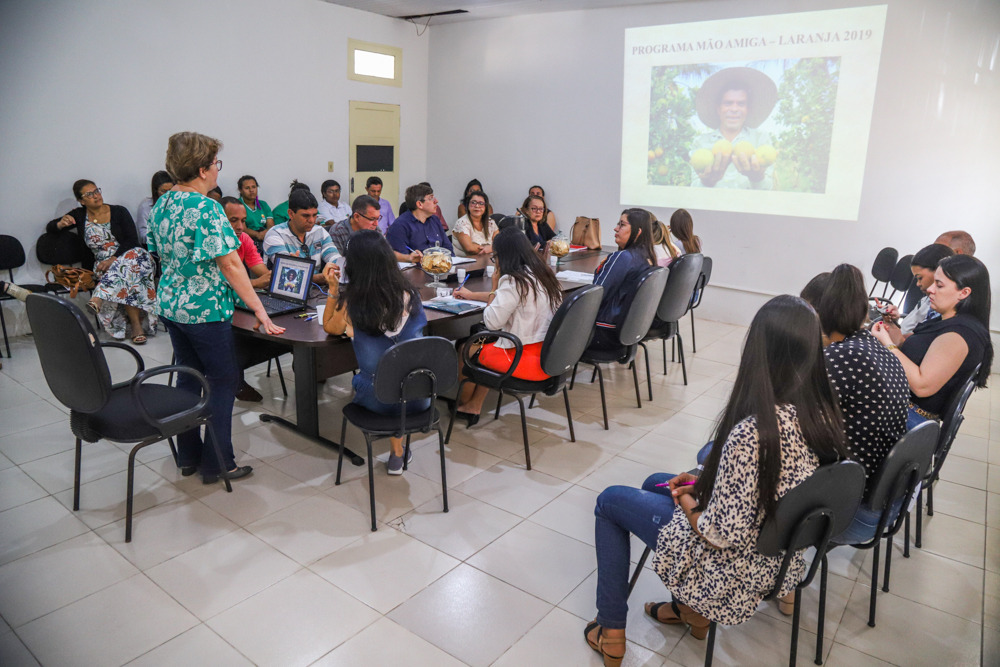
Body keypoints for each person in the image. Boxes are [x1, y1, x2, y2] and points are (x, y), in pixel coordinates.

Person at [585, 295, 849, 666]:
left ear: (759, 351)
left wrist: (687, 500)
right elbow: (765, 488)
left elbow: (717, 533)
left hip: (727, 570)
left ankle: (611, 631)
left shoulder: (754, 431)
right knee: (655, 481)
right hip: (779, 554)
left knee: (610, 501)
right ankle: (688, 610)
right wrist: (701, 485)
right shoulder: (821, 412)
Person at [147, 131, 283, 484]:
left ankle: (189, 456)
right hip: (204, 308)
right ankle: (219, 462)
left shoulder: (163, 203)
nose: (217, 171)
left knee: (188, 377)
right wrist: (261, 311)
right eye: (215, 164)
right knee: (223, 381)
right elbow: (231, 265)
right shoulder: (206, 207)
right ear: (204, 169)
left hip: (172, 304)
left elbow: (159, 251)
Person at [801, 264, 909, 545]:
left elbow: (793, 427)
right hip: (881, 502)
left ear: (818, 314)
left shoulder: (839, 357)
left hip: (852, 512)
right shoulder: (871, 346)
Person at [322, 230, 428, 475]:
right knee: (397, 372)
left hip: (376, 402)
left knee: (380, 377)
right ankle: (398, 452)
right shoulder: (412, 295)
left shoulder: (354, 304)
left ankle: (398, 452)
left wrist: (333, 289)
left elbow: (330, 326)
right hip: (420, 396)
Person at [451, 227, 563, 425]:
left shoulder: (513, 281)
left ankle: (466, 404)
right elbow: (510, 300)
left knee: (465, 347)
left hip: (520, 358)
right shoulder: (541, 274)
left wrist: (494, 286)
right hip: (547, 353)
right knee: (491, 340)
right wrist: (472, 295)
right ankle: (475, 404)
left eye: (495, 257)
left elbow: (491, 321)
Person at [871, 254, 992, 429]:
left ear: (964, 292)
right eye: (934, 282)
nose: (930, 289)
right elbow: (905, 345)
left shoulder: (958, 335)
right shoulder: (945, 319)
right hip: (900, 407)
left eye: (939, 285)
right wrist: (889, 323)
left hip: (909, 419)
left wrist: (887, 345)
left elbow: (922, 386)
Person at [48, 180, 157, 344]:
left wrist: (114, 258)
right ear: (81, 201)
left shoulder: (119, 211)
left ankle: (99, 296)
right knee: (127, 276)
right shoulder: (78, 215)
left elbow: (132, 241)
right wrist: (60, 223)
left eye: (96, 191)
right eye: (89, 194)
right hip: (103, 266)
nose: (96, 196)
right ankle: (136, 326)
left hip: (134, 258)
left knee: (131, 261)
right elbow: (51, 227)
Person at [690, 67, 777, 189]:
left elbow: (769, 188)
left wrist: (757, 178)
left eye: (741, 104)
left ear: (747, 109)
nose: (734, 109)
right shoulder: (701, 142)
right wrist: (706, 183)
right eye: (728, 103)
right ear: (718, 109)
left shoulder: (760, 138)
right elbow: (694, 189)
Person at [589, 208, 656, 350]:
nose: (616, 228)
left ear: (637, 232)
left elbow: (596, 293)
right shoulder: (647, 256)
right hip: (625, 332)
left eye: (622, 225)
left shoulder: (623, 257)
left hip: (603, 332)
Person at [262, 189, 339, 285]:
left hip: (316, 290)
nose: (311, 220)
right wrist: (320, 277)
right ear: (291, 214)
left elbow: (334, 257)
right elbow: (289, 274)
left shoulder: (320, 231)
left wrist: (338, 269)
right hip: (287, 290)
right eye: (306, 216)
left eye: (314, 215)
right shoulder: (275, 234)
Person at [879, 243, 954, 336]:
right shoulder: (926, 299)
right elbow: (905, 330)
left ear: (938, 272)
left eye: (920, 278)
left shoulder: (942, 310)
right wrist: (893, 322)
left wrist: (889, 342)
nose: (917, 284)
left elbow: (911, 339)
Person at [328, 195, 421, 263]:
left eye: (378, 218)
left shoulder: (375, 229)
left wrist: (409, 258)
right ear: (356, 217)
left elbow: (387, 252)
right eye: (372, 219)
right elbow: (339, 264)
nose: (376, 224)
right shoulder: (338, 231)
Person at [386, 183, 453, 253]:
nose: (436, 201)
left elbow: (448, 249)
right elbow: (402, 257)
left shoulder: (435, 220)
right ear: (419, 204)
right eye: (431, 198)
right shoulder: (400, 226)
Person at [221, 197, 271, 289]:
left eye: (243, 221)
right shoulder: (210, 242)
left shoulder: (244, 238)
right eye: (233, 220)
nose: (240, 227)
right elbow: (220, 285)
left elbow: (264, 274)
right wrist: (254, 283)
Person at [452, 190, 498, 256]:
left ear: (485, 207)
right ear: (468, 205)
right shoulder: (462, 223)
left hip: (488, 262)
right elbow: (469, 249)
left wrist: (492, 248)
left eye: (481, 203)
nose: (477, 206)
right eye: (473, 202)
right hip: (465, 264)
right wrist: (490, 248)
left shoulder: (490, 223)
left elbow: (500, 243)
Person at [134, 170, 174, 246]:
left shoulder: (177, 203)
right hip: (156, 245)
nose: (168, 194)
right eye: (163, 191)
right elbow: (143, 234)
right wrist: (158, 238)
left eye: (170, 190)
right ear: (156, 191)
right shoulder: (146, 206)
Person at [237, 175, 273, 243]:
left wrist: (266, 233)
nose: (251, 190)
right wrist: (257, 235)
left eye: (254, 187)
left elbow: (271, 226)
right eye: (247, 188)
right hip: (246, 239)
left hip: (265, 238)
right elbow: (243, 229)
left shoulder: (263, 204)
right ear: (240, 190)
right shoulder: (237, 205)